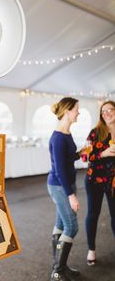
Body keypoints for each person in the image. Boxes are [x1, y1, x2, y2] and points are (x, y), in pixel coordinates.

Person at [47, 97, 81, 281]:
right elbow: (59, 170)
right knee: (72, 226)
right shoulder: (59, 137)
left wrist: (80, 153)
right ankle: (58, 270)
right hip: (60, 186)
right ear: (67, 111)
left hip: (64, 183)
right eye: (76, 109)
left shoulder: (66, 133)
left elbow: (67, 159)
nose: (78, 112)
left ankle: (59, 266)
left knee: (61, 225)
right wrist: (71, 196)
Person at [84, 100, 115, 266]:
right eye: (104, 111)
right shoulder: (95, 133)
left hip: (113, 182)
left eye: (110, 109)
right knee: (93, 214)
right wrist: (103, 153)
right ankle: (91, 249)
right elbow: (86, 157)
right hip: (94, 179)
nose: (107, 113)